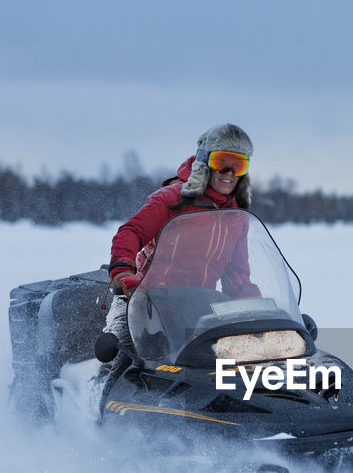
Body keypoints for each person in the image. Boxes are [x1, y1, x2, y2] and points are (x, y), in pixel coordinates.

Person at [102, 123, 256, 360]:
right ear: (205, 164)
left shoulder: (235, 217)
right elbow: (130, 232)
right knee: (127, 366)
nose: (229, 174)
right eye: (221, 163)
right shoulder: (172, 198)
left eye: (238, 165)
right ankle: (98, 395)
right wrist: (124, 273)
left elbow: (237, 275)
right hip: (145, 304)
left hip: (198, 311)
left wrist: (256, 307)